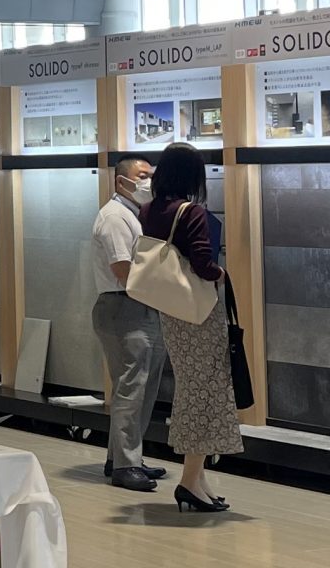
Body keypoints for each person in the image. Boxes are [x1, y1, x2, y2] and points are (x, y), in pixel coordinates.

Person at [140, 142, 238, 513]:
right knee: (204, 392)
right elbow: (202, 263)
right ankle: (188, 482)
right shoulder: (191, 212)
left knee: (191, 387)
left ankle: (198, 480)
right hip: (199, 313)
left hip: (172, 311)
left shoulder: (149, 210)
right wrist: (221, 273)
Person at [89, 157, 169, 493]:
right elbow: (122, 269)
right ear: (121, 181)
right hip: (124, 306)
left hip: (139, 305)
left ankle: (124, 456)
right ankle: (125, 465)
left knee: (142, 386)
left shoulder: (134, 214)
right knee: (131, 386)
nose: (149, 181)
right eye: (142, 175)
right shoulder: (114, 217)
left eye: (151, 175)